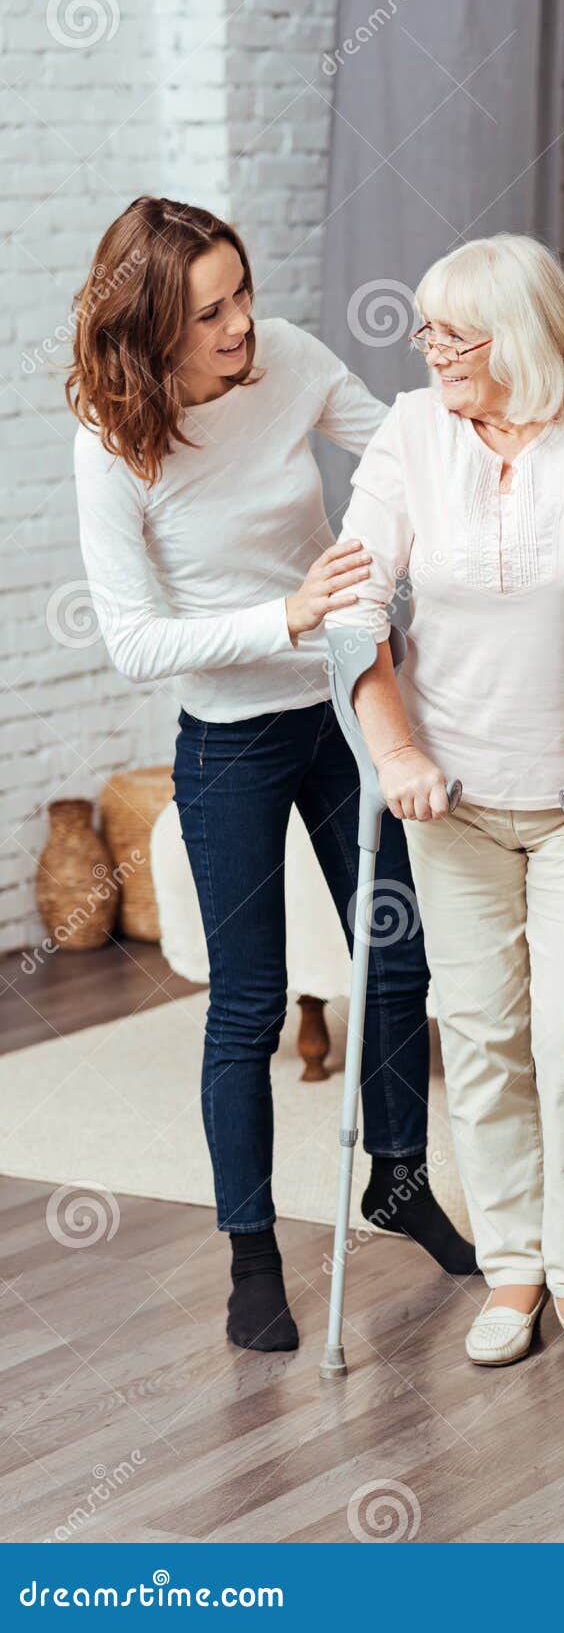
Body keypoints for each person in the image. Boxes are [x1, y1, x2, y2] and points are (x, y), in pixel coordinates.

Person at [70, 197, 476, 1356]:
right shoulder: (114, 443)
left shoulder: (288, 357)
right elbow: (135, 640)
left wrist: (497, 405)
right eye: (212, 312)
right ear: (152, 331)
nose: (244, 324)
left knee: (397, 957)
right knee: (246, 1007)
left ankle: (395, 1178)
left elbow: (398, 448)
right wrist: (284, 611)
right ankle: (252, 1252)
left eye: (244, 293)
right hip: (232, 742)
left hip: (346, 711)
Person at [327, 234, 564, 1372]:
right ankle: (514, 1269)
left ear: (521, 338)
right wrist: (393, 752)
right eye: (425, 328)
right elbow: (352, 601)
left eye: (455, 333)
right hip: (453, 804)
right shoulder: (409, 433)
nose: (431, 349)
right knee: (481, 1033)